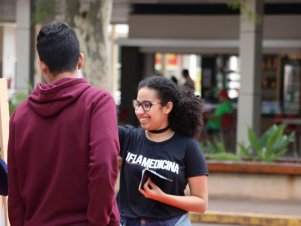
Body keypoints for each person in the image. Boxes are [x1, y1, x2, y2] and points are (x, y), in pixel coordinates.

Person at [8, 22, 120, 226]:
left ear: (42, 64)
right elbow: (104, 165)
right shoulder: (98, 103)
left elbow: (14, 190)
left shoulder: (19, 116)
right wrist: (99, 221)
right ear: (80, 60)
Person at [117, 76, 208, 225]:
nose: (139, 111)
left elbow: (201, 203)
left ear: (167, 107)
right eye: (137, 104)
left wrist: (162, 197)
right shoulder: (128, 137)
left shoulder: (188, 146)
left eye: (146, 105)